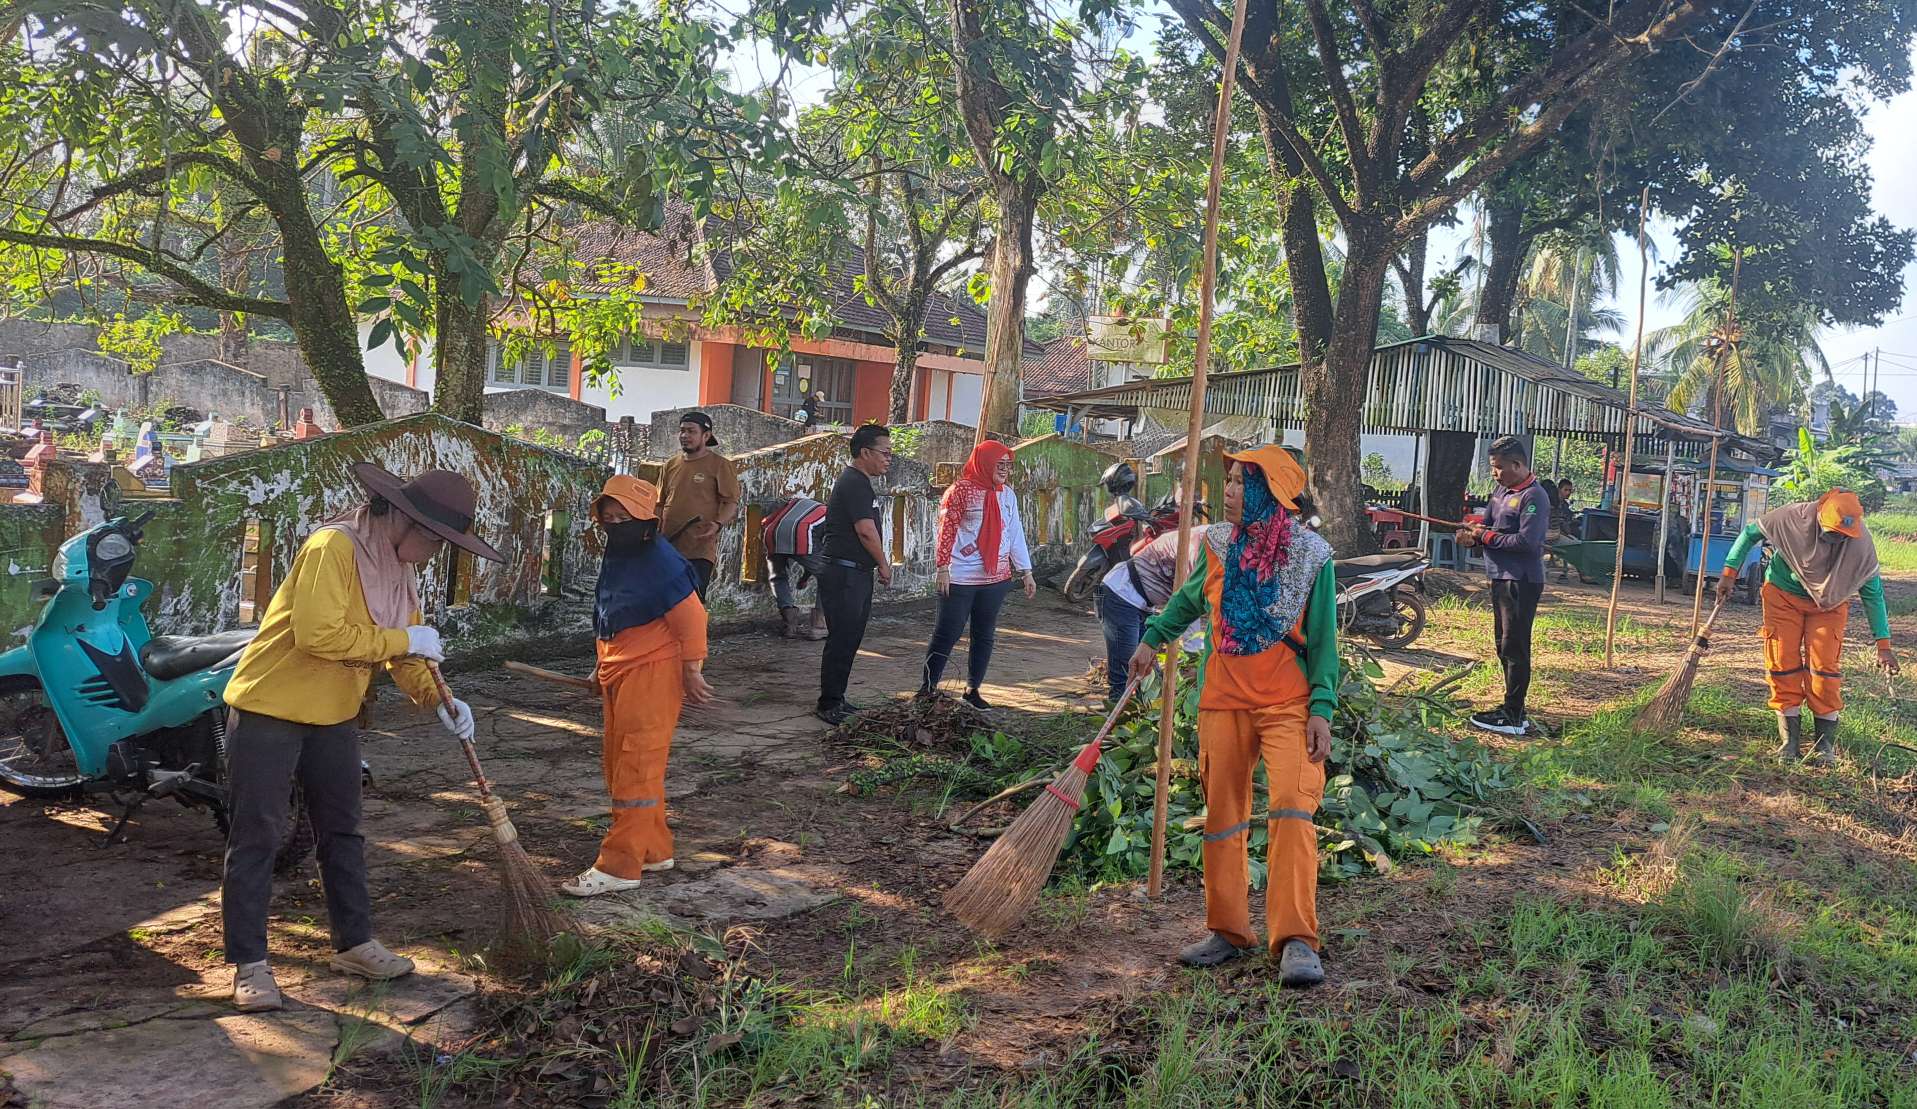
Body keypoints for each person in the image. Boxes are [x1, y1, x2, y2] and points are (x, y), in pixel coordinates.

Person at [220, 466, 501, 1013]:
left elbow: (406, 650)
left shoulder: (398, 568)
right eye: (432, 538)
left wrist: (440, 700)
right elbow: (320, 633)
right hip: (269, 706)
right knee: (259, 834)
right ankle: (249, 964)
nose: (434, 552)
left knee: (343, 830)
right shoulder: (334, 546)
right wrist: (406, 637)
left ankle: (354, 943)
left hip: (335, 713)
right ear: (398, 516)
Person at [1126, 446, 1337, 983]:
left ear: (1271, 492)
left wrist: (1321, 708)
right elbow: (1190, 601)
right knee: (1223, 815)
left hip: (1287, 704)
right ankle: (1228, 929)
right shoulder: (1219, 546)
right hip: (1222, 699)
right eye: (1233, 481)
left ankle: (1294, 940)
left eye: (1244, 483)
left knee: (1292, 807)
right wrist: (1152, 639)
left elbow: (1323, 640)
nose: (1232, 491)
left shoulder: (1313, 556)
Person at [561, 476, 714, 896]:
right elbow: (612, 613)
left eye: (623, 517)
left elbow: (692, 619)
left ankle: (620, 866)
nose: (615, 524)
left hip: (653, 671)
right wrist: (600, 665)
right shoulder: (622, 557)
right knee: (622, 763)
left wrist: (692, 670)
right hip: (620, 669)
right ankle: (653, 849)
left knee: (636, 765)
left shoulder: (660, 561)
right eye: (608, 517)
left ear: (646, 518)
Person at [1716, 490, 1899, 765]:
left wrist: (1883, 646)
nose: (1835, 541)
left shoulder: (1861, 547)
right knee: (1783, 663)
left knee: (1824, 669)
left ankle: (1824, 748)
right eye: (1830, 533)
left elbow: (1873, 595)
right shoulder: (1792, 517)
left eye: (1842, 536)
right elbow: (1750, 533)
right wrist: (1729, 573)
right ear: (1817, 518)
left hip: (1830, 605)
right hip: (1782, 596)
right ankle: (1789, 743)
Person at [920, 441, 1036, 706]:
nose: (1005, 470)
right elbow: (945, 530)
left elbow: (1014, 533)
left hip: (996, 578)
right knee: (947, 632)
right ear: (984, 463)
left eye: (1008, 465)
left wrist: (1026, 571)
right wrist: (942, 568)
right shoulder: (960, 491)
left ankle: (973, 690)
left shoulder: (1007, 495)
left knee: (984, 634)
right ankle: (927, 688)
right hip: (960, 577)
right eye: (1000, 464)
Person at [1457, 436, 1548, 736]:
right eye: (1492, 467)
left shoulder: (1534, 496)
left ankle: (1513, 714)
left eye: (1499, 468)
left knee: (1515, 645)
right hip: (1499, 576)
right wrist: (1470, 536)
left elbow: (1526, 541)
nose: (1494, 473)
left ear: (1518, 465)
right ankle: (1512, 706)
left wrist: (1485, 537)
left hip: (1521, 580)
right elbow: (1487, 527)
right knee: (1502, 644)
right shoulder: (1500, 491)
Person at [816, 424, 893, 725]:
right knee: (842, 638)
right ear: (865, 452)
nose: (889, 459)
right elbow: (865, 530)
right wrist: (884, 563)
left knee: (850, 638)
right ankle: (828, 702)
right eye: (885, 453)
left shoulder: (860, 482)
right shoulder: (854, 483)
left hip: (855, 573)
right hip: (844, 573)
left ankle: (838, 697)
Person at [1097, 527, 1200, 705]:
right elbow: (1189, 602)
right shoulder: (1196, 546)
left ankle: (1142, 723)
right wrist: (1193, 656)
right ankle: (1118, 728)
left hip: (1145, 605)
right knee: (1127, 673)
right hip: (1121, 594)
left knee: (1150, 677)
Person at [658, 410, 741, 602]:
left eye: (691, 431)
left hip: (699, 547)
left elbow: (730, 502)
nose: (685, 436)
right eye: (682, 431)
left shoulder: (719, 465)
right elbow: (659, 502)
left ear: (706, 435)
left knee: (692, 602)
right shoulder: (670, 465)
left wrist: (717, 524)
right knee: (664, 601)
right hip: (668, 545)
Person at [763, 493, 829, 640]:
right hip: (802, 533)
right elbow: (822, 555)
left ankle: (789, 624)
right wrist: (805, 577)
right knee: (829, 577)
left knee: (777, 576)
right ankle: (818, 626)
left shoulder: (793, 505)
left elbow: (766, 521)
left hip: (772, 532)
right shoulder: (828, 513)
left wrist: (804, 578)